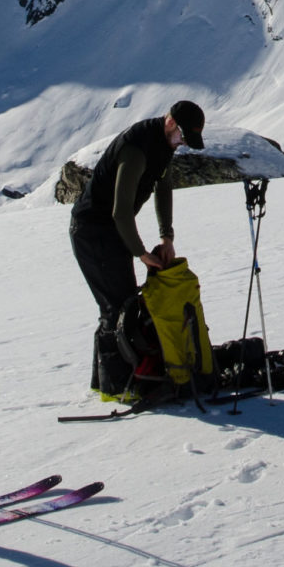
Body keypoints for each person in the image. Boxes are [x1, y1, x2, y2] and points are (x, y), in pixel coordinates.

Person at [70, 101, 204, 402]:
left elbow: (163, 184)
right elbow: (120, 212)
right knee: (116, 307)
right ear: (171, 123)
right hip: (92, 231)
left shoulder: (162, 146)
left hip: (111, 232)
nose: (181, 143)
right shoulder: (136, 150)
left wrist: (167, 236)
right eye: (181, 136)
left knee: (126, 302)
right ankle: (115, 388)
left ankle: (124, 381)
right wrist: (142, 253)